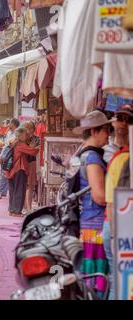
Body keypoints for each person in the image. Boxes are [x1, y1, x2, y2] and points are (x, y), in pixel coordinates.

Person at [73, 110, 113, 297]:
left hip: (88, 224)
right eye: (106, 130)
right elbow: (99, 196)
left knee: (90, 279)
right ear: (94, 131)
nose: (109, 134)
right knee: (96, 282)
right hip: (96, 225)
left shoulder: (83, 154)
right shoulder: (92, 158)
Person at [102, 105, 132, 300]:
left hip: (120, 229)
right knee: (122, 286)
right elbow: (113, 202)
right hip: (119, 229)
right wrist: (115, 236)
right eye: (118, 118)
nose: (122, 123)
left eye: (127, 119)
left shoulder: (122, 155)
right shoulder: (119, 157)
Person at [6, 127, 39, 217]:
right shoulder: (20, 145)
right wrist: (39, 147)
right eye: (26, 134)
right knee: (20, 190)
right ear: (21, 136)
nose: (27, 136)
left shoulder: (14, 144)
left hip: (12, 171)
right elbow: (33, 152)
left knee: (13, 191)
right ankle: (16, 211)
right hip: (19, 169)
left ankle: (12, 210)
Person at [0, 118, 20, 199]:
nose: (8, 124)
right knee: (5, 172)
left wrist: (3, 156)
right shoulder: (9, 132)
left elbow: (10, 145)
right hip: (6, 153)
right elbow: (5, 145)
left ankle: (1, 192)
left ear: (13, 124)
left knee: (5, 172)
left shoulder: (17, 133)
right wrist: (1, 155)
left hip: (11, 155)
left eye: (9, 123)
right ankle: (3, 191)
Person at [23, 121, 40, 214]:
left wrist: (31, 149)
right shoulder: (22, 139)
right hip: (23, 163)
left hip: (32, 163)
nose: (29, 131)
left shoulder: (37, 139)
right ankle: (25, 207)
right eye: (27, 128)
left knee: (30, 186)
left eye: (31, 128)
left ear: (34, 129)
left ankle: (28, 207)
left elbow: (36, 150)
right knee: (25, 186)